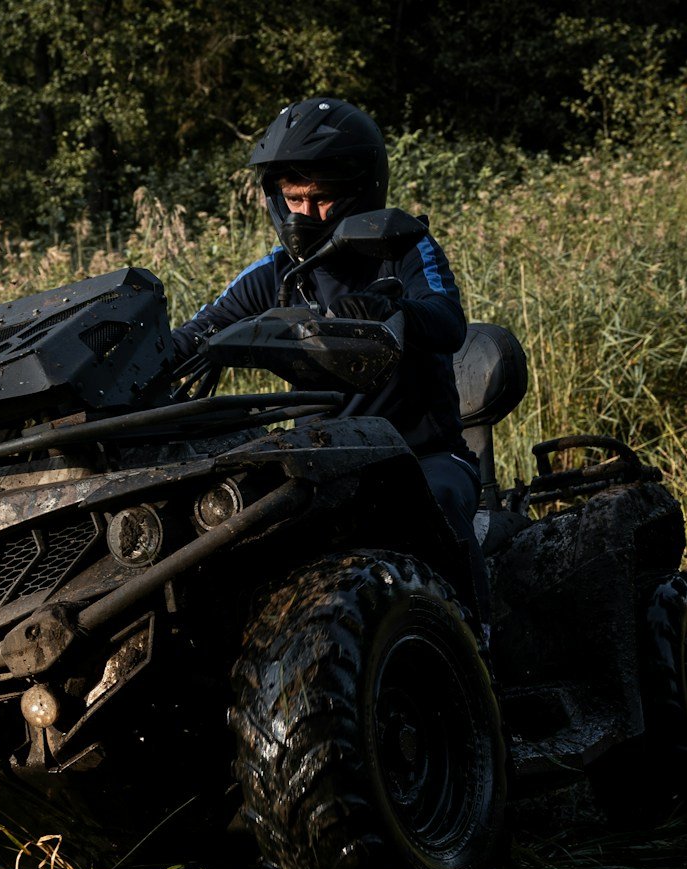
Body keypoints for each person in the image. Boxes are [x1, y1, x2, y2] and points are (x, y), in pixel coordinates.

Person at [172, 97, 489, 622]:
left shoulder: (406, 247)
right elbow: (194, 334)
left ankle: (476, 641)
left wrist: (392, 309)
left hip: (421, 456)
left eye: (320, 199)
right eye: (293, 199)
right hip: (322, 464)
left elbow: (448, 320)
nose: (304, 214)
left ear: (360, 190)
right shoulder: (273, 277)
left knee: (438, 502)